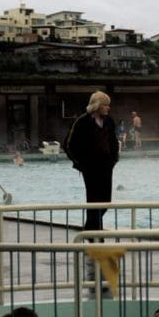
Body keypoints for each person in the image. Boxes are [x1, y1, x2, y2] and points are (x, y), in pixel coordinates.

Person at [65, 91, 119, 234]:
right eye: (106, 105)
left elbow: (114, 142)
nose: (108, 108)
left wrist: (114, 159)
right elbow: (68, 144)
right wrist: (80, 163)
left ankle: (89, 229)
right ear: (98, 106)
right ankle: (96, 235)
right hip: (90, 168)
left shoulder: (109, 121)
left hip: (107, 167)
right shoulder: (82, 122)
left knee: (106, 202)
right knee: (94, 201)